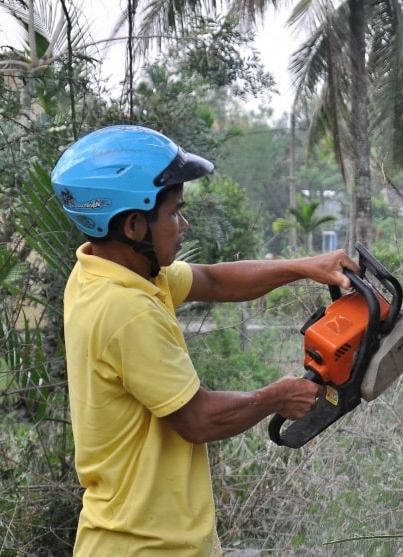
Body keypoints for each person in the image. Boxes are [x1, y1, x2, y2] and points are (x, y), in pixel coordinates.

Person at [51, 124, 359, 556]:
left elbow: (213, 279)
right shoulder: (125, 309)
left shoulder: (103, 273)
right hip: (146, 546)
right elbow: (198, 420)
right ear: (135, 225)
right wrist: (276, 397)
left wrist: (307, 266)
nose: (184, 224)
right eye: (174, 212)